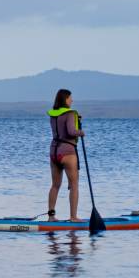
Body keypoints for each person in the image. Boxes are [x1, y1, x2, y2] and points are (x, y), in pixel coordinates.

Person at [47, 89, 85, 222]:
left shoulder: (53, 114)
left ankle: (51, 216)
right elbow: (71, 131)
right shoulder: (70, 114)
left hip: (54, 152)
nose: (72, 100)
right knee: (74, 185)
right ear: (65, 99)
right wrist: (81, 132)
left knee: (55, 185)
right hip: (68, 152)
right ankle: (73, 217)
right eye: (70, 98)